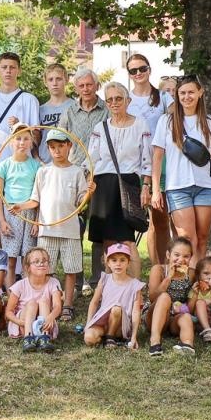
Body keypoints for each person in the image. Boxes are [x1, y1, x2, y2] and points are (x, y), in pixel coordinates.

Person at [151, 76, 211, 264]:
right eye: (182, 93)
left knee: (202, 239)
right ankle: (183, 284)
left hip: (207, 186)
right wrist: (155, 189)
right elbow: (157, 156)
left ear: (200, 93)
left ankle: (196, 285)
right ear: (177, 95)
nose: (187, 97)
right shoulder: (167, 121)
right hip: (177, 186)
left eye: (191, 92)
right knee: (186, 240)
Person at [27, 130, 91, 319]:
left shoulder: (77, 171)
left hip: (70, 230)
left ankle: (68, 304)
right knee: (47, 269)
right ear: (48, 148)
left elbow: (81, 203)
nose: (57, 150)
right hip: (47, 229)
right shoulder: (43, 171)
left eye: (61, 146)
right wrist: (21, 208)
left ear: (69, 146)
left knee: (71, 269)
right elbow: (35, 200)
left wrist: (89, 193)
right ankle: (49, 302)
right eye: (52, 147)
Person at [86, 82, 147, 271]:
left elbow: (147, 159)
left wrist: (147, 186)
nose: (114, 102)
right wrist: (87, 183)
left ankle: (136, 292)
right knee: (108, 242)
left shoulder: (140, 124)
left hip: (127, 184)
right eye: (110, 99)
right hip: (103, 185)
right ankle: (111, 290)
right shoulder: (100, 127)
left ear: (128, 101)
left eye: (118, 98)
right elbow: (91, 159)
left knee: (128, 240)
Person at [0, 52, 40, 220]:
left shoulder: (29, 99)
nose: (8, 71)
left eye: (12, 67)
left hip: (23, 171)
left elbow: (37, 136)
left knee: (23, 221)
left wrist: (21, 127)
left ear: (19, 71)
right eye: (4, 67)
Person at [59, 67, 107, 288]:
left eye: (90, 84)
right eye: (81, 85)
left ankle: (97, 279)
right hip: (75, 176)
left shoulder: (106, 110)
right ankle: (76, 281)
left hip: (100, 175)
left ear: (96, 85)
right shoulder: (69, 112)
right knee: (74, 230)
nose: (86, 89)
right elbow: (60, 138)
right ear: (76, 87)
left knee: (98, 230)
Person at [123, 53, 171, 264]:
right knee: (143, 220)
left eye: (142, 68)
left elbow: (176, 125)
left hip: (161, 163)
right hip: (134, 165)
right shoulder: (126, 99)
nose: (138, 73)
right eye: (133, 70)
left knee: (163, 220)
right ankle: (155, 269)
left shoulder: (163, 97)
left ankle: (168, 266)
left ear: (149, 69)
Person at [0, 124, 41, 278]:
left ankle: (27, 291)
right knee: (11, 256)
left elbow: (39, 195)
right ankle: (10, 292)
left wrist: (36, 220)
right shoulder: (4, 166)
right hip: (11, 213)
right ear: (11, 142)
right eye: (18, 138)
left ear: (31, 142)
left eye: (26, 138)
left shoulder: (36, 165)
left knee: (29, 256)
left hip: (29, 211)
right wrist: (2, 221)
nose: (22, 142)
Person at [142, 235, 198, 357]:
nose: (181, 260)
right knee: (164, 297)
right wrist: (169, 278)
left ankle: (187, 345)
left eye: (186, 256)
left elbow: (190, 308)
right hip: (154, 315)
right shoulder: (159, 270)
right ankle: (155, 342)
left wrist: (195, 293)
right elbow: (152, 298)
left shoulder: (192, 274)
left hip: (174, 318)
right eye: (176, 255)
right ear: (168, 255)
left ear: (190, 258)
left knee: (186, 317)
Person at [82, 244, 144, 348]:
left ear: (128, 262)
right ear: (108, 263)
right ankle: (106, 337)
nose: (118, 264)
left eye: (122, 260)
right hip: (104, 322)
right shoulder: (104, 279)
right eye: (114, 260)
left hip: (122, 326)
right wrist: (88, 324)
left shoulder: (135, 285)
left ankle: (110, 336)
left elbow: (135, 312)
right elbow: (94, 302)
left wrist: (133, 337)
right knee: (89, 338)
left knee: (116, 308)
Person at [6, 246, 61, 352]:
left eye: (44, 261)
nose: (41, 263)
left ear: (48, 265)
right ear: (27, 267)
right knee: (32, 303)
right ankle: (28, 338)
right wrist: (20, 322)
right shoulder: (20, 285)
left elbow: (57, 306)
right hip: (23, 322)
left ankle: (44, 338)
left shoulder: (54, 283)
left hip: (44, 321)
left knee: (44, 300)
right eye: (36, 261)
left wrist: (51, 317)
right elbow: (8, 312)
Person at [37, 63, 70, 163]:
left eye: (59, 79)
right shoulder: (40, 110)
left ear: (66, 80)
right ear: (45, 82)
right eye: (50, 79)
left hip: (69, 165)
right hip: (45, 164)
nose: (54, 83)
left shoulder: (74, 107)